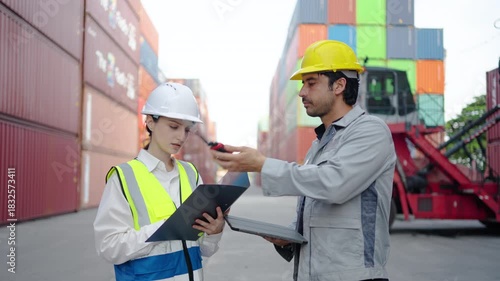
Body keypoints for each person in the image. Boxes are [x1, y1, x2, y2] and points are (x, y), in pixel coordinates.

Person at [211, 40, 396, 281]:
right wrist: (290, 235)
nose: (301, 92)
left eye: (311, 83)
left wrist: (262, 164)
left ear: (339, 85)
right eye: (302, 84)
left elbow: (334, 185)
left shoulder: (371, 131)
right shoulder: (319, 145)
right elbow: (321, 209)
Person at [93, 82, 226, 281]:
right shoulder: (123, 177)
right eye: (173, 126)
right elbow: (109, 247)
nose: (181, 136)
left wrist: (214, 232)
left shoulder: (191, 174)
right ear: (150, 122)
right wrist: (165, 228)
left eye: (187, 130)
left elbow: (204, 250)